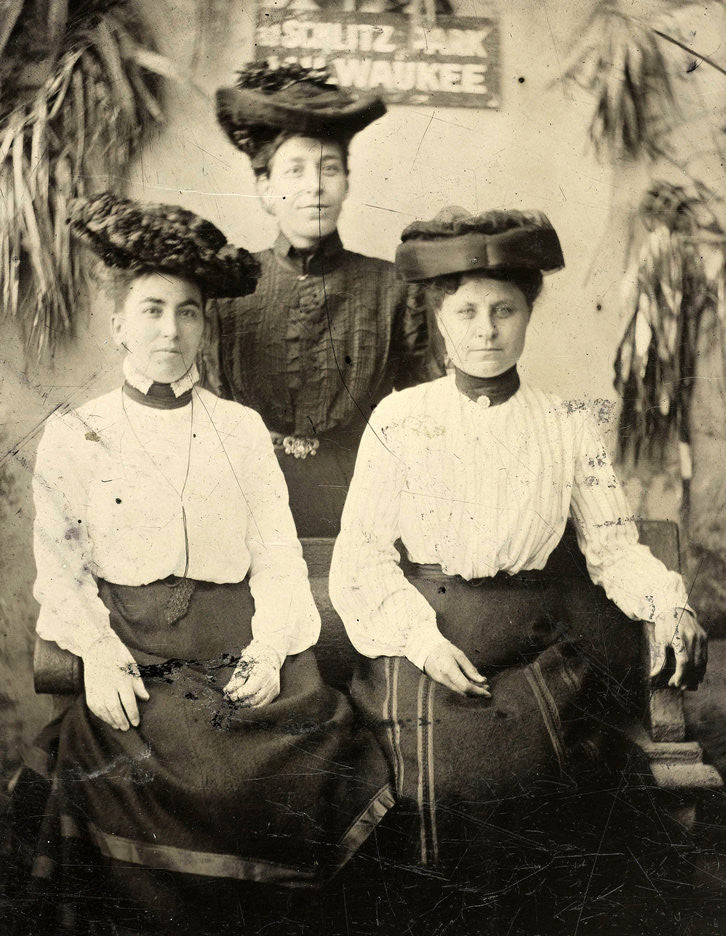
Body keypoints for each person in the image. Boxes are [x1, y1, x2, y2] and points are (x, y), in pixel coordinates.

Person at [12, 193, 394, 936]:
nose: (170, 329)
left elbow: (277, 554)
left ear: (203, 325)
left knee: (309, 745)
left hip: (232, 644)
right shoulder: (77, 432)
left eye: (188, 312)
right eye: (152, 309)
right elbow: (61, 570)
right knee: (125, 760)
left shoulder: (239, 428)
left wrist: (275, 648)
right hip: (138, 649)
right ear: (118, 323)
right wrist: (98, 656)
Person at [329, 206, 707, 900]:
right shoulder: (401, 419)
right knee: (444, 775)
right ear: (440, 317)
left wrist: (667, 602)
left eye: (503, 310)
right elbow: (361, 559)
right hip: (426, 639)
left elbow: (614, 548)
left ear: (528, 315)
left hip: (537, 642)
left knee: (538, 770)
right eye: (467, 311)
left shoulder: (569, 425)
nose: (485, 330)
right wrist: (421, 642)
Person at [209, 61, 440, 536]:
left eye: (329, 169)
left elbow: (426, 417)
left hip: (366, 502)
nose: (314, 185)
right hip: (248, 502)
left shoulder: (395, 287)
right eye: (295, 170)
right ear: (266, 189)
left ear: (347, 184)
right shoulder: (224, 290)